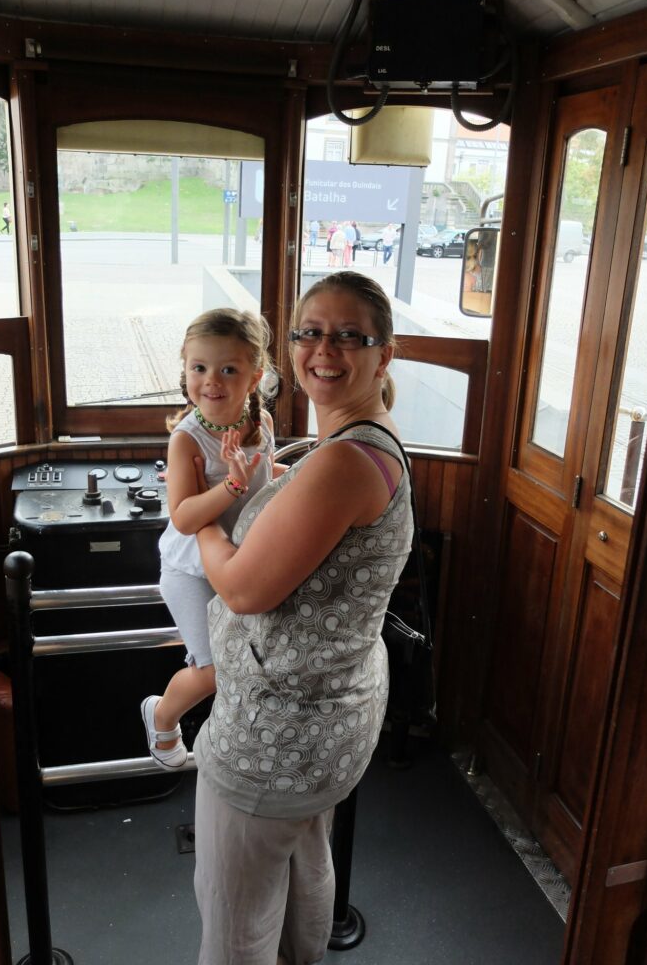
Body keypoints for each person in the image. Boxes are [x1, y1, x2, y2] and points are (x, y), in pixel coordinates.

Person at [191, 272, 415, 965]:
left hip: (275, 739)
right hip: (325, 724)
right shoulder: (358, 443)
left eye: (351, 335)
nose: (325, 348)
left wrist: (200, 521)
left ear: (384, 352)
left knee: (234, 915)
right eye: (310, 331)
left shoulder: (345, 460)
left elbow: (242, 590)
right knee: (303, 865)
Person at [140, 308, 286, 769]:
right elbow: (184, 517)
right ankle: (161, 715)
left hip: (240, 565)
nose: (211, 380)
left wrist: (302, 475)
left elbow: (265, 476)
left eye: (228, 369)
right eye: (199, 368)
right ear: (184, 369)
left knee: (253, 663)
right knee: (214, 669)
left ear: (255, 375)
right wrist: (231, 486)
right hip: (190, 570)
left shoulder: (259, 425)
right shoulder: (187, 440)